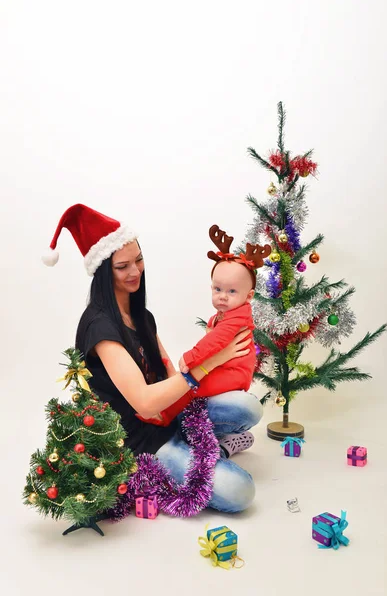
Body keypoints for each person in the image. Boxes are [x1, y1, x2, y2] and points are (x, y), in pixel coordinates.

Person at [42, 203, 263, 513]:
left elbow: (171, 371)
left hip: (168, 416)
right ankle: (203, 452)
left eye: (139, 260)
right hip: (141, 442)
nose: (135, 272)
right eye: (122, 267)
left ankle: (209, 444)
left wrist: (210, 367)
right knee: (241, 491)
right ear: (104, 271)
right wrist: (210, 362)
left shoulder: (141, 316)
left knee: (248, 406)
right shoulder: (100, 327)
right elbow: (145, 403)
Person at [155, 224, 271, 426]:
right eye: (218, 289)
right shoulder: (221, 315)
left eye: (232, 291)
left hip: (234, 374)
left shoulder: (239, 316)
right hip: (225, 367)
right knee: (192, 384)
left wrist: (191, 357)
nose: (223, 297)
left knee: (192, 386)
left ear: (249, 296)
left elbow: (216, 340)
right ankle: (211, 430)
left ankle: (164, 417)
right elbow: (214, 340)